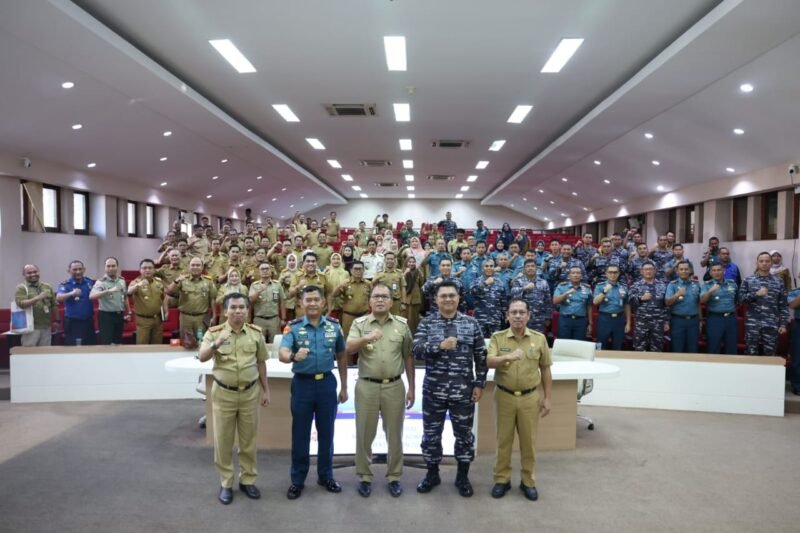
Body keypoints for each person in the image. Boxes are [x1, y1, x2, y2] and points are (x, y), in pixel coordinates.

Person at [413, 281, 487, 497]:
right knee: (431, 435)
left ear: (458, 298)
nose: (447, 299)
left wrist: (479, 383)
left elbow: (481, 356)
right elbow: (416, 350)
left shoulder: (471, 323)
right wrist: (439, 346)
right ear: (435, 299)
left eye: (451, 295)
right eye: (443, 296)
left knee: (464, 436)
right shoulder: (427, 323)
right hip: (433, 391)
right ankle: (432, 474)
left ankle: (462, 477)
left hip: (463, 391)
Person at [199, 293, 270, 505]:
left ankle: (248, 480)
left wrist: (266, 390)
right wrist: (216, 344)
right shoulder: (215, 333)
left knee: (248, 440)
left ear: (247, 310)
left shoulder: (256, 334)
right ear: (225, 311)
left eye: (242, 307)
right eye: (233, 307)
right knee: (223, 441)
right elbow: (202, 356)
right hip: (224, 394)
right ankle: (226, 483)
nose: (238, 311)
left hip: (250, 393)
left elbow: (261, 363)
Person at [279, 286, 348, 500]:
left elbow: (342, 356)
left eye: (316, 299)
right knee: (300, 434)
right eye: (307, 300)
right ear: (301, 303)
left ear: (323, 303)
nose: (312, 303)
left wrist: (344, 386)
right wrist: (292, 357)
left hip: (327, 384)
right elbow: (282, 353)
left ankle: (325, 476)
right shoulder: (294, 327)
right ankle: (297, 480)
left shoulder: (334, 327)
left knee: (327, 432)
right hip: (302, 385)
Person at [346, 283, 415, 498]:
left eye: (385, 296)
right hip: (367, 385)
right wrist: (366, 337)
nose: (380, 300)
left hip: (394, 385)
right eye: (376, 296)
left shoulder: (402, 325)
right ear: (370, 301)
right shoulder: (360, 324)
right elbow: (348, 348)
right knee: (364, 433)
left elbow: (409, 356)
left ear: (391, 301)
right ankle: (364, 476)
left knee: (394, 434)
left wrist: (412, 387)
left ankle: (394, 476)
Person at [487, 298, 552, 501]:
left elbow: (546, 369)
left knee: (528, 442)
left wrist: (548, 397)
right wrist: (508, 357)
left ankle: (528, 481)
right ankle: (502, 480)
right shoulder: (498, 338)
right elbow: (488, 362)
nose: (517, 316)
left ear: (528, 315)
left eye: (521, 312)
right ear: (507, 315)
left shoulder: (539, 339)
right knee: (503, 441)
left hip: (530, 398)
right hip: (504, 395)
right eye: (513, 312)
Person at [739, 252, 789, 355]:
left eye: (767, 261)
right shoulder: (748, 280)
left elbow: (783, 305)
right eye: (761, 261)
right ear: (757, 263)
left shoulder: (778, 281)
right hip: (752, 324)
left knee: (770, 354)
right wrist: (755, 294)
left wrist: (783, 324)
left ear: (771, 263)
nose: (764, 263)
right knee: (751, 354)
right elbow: (740, 300)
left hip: (771, 324)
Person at [168, 256, 218, 343]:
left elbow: (213, 299)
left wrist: (213, 316)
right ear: (189, 267)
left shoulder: (208, 281)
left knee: (201, 342)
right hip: (185, 317)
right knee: (186, 343)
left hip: (201, 318)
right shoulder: (182, 280)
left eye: (198, 265)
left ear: (202, 267)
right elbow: (169, 292)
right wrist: (176, 281)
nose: (195, 267)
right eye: (193, 265)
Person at [665, 261, 705, 353]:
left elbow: (698, 303)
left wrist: (701, 320)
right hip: (678, 321)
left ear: (690, 270)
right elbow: (667, 302)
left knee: (693, 349)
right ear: (677, 271)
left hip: (693, 321)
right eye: (681, 269)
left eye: (686, 269)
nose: (684, 271)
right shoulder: (672, 285)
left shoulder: (696, 284)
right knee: (677, 349)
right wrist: (677, 294)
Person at [629, 262, 669, 352]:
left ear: (655, 271)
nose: (648, 271)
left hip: (658, 323)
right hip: (641, 323)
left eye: (650, 269)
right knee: (639, 349)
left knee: (657, 349)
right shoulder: (636, 285)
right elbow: (630, 301)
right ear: (641, 272)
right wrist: (640, 298)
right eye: (646, 269)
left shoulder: (663, 285)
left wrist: (666, 321)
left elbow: (666, 305)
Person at [15, 264, 58, 346]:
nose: (33, 274)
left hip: (46, 326)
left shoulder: (47, 286)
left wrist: (57, 320)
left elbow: (54, 304)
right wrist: (37, 298)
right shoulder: (21, 288)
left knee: (44, 354)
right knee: (29, 354)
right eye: (29, 273)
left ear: (39, 272)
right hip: (29, 328)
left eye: (35, 272)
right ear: (24, 275)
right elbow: (21, 304)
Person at [700, 263, 739, 354]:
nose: (717, 272)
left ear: (724, 271)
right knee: (713, 346)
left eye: (719, 270)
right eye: (714, 270)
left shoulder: (732, 284)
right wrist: (710, 291)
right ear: (710, 273)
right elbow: (701, 300)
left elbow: (737, 300)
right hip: (715, 319)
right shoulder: (707, 285)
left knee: (731, 347)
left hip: (731, 318)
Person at [56, 260, 95, 346]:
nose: (78, 272)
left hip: (88, 321)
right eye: (75, 269)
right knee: (73, 348)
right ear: (69, 271)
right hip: (73, 322)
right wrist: (71, 293)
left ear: (84, 270)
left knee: (90, 347)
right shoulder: (65, 284)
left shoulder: (89, 282)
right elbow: (59, 298)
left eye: (80, 269)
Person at [91, 258, 131, 344]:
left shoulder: (122, 280)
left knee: (118, 342)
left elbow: (125, 297)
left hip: (119, 315)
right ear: (105, 268)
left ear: (117, 267)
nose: (111, 268)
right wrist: (107, 291)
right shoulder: (101, 282)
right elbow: (92, 296)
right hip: (106, 316)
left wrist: (129, 312)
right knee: (106, 343)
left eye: (113, 266)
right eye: (108, 266)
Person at [128, 259, 167, 344]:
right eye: (144, 268)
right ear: (140, 270)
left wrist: (166, 310)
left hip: (157, 319)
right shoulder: (136, 282)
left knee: (157, 345)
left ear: (154, 270)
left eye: (150, 268)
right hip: (143, 320)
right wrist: (138, 285)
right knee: (142, 347)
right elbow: (129, 292)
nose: (147, 270)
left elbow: (164, 298)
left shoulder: (159, 282)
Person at [593, 265, 631, 350]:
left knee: (618, 345)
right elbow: (595, 302)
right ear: (606, 274)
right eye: (610, 272)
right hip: (605, 318)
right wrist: (604, 292)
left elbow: (627, 305)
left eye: (615, 272)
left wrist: (628, 322)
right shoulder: (600, 286)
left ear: (618, 274)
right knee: (600, 345)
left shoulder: (623, 287)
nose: (613, 274)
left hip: (619, 320)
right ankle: (599, 361)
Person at [510, 259, 552, 335]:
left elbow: (547, 301)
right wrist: (525, 288)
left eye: (532, 266)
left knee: (537, 341)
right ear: (524, 269)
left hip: (539, 318)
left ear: (536, 268)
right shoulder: (518, 281)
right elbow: (513, 294)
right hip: (522, 318)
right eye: (528, 266)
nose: (530, 268)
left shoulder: (543, 282)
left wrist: (548, 317)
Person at [332, 260, 371, 338]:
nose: (358, 271)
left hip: (364, 316)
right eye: (355, 269)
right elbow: (334, 295)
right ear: (351, 270)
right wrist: (339, 286)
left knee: (364, 338)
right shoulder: (345, 283)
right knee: (347, 338)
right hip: (348, 317)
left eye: (360, 269)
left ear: (363, 270)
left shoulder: (368, 284)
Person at [552, 266, 593, 341]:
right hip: (565, 320)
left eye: (578, 273)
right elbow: (555, 301)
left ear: (581, 276)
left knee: (579, 345)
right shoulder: (562, 287)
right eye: (573, 273)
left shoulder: (587, 288)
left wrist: (590, 323)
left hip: (580, 321)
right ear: (569, 276)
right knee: (564, 344)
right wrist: (566, 294)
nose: (576, 275)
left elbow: (589, 306)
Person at [471, 258, 508, 339]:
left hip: (495, 318)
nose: (489, 268)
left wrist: (505, 314)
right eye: (486, 266)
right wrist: (485, 283)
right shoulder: (476, 281)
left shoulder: (499, 282)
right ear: (482, 268)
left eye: (491, 266)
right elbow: (473, 292)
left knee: (495, 343)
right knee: (480, 343)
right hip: (480, 318)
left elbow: (503, 300)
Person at [288, 252, 331, 319]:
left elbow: (329, 294)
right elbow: (290, 294)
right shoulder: (298, 276)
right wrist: (299, 286)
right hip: (302, 314)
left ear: (316, 263)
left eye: (313, 261)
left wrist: (329, 311)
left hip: (319, 314)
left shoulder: (322, 277)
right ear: (304, 263)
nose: (310, 263)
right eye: (308, 261)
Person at [249, 264, 284, 342]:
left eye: (267, 269)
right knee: (259, 344)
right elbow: (251, 300)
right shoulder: (254, 285)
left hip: (274, 319)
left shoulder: (277, 284)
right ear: (259, 272)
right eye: (262, 269)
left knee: (275, 343)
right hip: (259, 319)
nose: (265, 270)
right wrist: (258, 291)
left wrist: (283, 319)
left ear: (271, 271)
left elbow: (282, 301)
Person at [372, 251, 405, 315]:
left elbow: (403, 288)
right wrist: (377, 278)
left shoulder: (399, 273)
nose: (389, 261)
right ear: (384, 260)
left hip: (396, 302)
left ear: (394, 260)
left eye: (391, 259)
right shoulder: (379, 273)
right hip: (382, 302)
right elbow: (372, 285)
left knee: (396, 321)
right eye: (388, 259)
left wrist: (403, 303)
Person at [323, 253, 350, 319]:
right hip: (329, 303)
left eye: (338, 259)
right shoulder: (327, 272)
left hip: (342, 302)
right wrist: (323, 273)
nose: (336, 261)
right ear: (330, 261)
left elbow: (348, 287)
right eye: (334, 259)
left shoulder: (345, 273)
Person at [402, 256, 425, 334]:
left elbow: (422, 284)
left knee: (415, 319)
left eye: (413, 262)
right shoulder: (403, 272)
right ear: (406, 263)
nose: (411, 263)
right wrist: (405, 273)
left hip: (416, 299)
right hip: (406, 299)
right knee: (406, 319)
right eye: (410, 262)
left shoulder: (418, 272)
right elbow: (400, 283)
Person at [279, 253, 299, 322]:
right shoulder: (283, 272)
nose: (291, 262)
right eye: (290, 260)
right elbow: (279, 286)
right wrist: (282, 280)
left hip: (298, 301)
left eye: (293, 260)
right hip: (288, 302)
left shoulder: (300, 272)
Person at [788, 279, 800, 395]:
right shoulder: (795, 292)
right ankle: (797, 385)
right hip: (799, 324)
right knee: (797, 356)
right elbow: (792, 305)